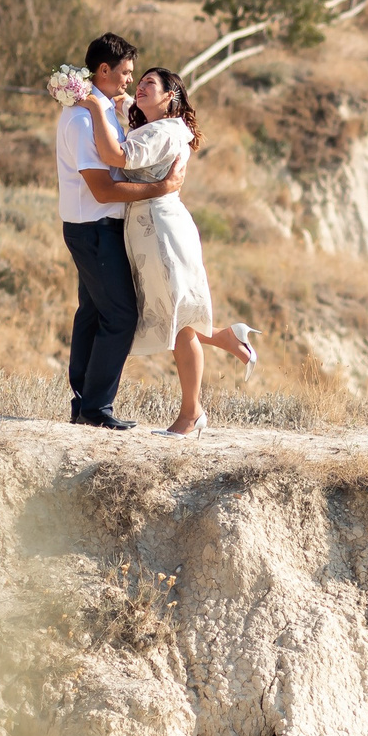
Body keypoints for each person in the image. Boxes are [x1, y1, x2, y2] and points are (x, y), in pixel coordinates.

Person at [76, 67, 258, 436]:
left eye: (149, 85)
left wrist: (94, 107)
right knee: (165, 314)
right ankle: (225, 337)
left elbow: (116, 156)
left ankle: (191, 413)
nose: (140, 87)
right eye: (138, 81)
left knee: (176, 322)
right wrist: (110, 97)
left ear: (169, 97)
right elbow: (128, 104)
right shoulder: (156, 124)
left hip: (161, 232)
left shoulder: (164, 131)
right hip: (148, 229)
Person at [55, 33, 180, 429]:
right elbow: (103, 187)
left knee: (93, 313)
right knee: (121, 316)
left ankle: (84, 404)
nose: (129, 80)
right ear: (103, 71)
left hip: (98, 225)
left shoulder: (100, 109)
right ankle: (96, 408)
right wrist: (161, 188)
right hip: (93, 227)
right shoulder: (80, 118)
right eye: (125, 73)